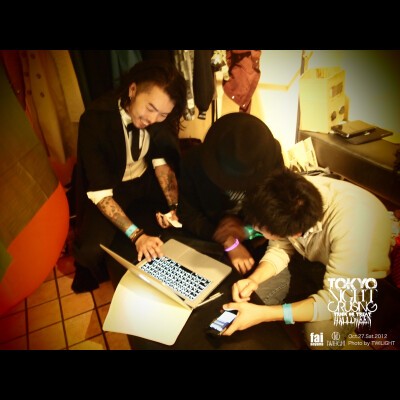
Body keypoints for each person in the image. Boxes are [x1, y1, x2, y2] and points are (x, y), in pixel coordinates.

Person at [221, 168, 392, 350]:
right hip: (310, 260)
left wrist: (264, 314)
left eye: (262, 232)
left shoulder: (353, 225)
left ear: (295, 233)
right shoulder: (289, 198)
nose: (257, 234)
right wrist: (254, 280)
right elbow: (280, 248)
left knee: (319, 336)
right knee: (254, 297)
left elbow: (336, 301)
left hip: (358, 277)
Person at [71, 59, 187, 293]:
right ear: (133, 90)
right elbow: (100, 193)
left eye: (163, 114)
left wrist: (173, 206)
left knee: (181, 220)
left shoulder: (160, 119)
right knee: (90, 250)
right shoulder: (95, 119)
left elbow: (161, 163)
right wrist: (138, 236)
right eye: (150, 108)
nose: (153, 120)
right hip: (110, 186)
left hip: (144, 179)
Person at [174, 112, 285, 275]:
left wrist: (247, 231)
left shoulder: (271, 163)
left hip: (254, 238)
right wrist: (227, 239)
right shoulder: (193, 162)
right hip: (208, 235)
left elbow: (275, 218)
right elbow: (187, 213)